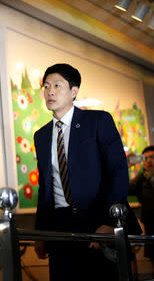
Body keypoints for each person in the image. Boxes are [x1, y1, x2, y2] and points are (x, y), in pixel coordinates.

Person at [33, 63, 141, 281]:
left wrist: (109, 221)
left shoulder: (98, 121)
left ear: (74, 92)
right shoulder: (41, 135)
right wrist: (40, 232)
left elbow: (117, 172)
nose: (50, 91)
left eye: (57, 85)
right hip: (59, 228)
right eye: (45, 86)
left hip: (98, 221)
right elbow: (46, 185)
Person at [129, 145, 154, 260]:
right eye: (145, 158)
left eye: (152, 157)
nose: (149, 161)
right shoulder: (141, 178)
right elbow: (125, 189)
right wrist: (127, 166)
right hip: (150, 229)